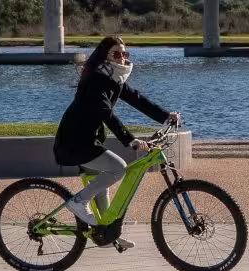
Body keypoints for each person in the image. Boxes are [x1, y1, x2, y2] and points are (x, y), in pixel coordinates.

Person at [52, 36, 179, 249]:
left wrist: (166, 116)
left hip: (88, 140)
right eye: (117, 54)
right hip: (74, 142)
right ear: (104, 56)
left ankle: (108, 234)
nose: (122, 58)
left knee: (103, 187)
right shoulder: (94, 81)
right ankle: (77, 202)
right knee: (118, 168)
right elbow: (107, 114)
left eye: (124, 54)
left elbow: (137, 99)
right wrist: (131, 141)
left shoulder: (113, 80)